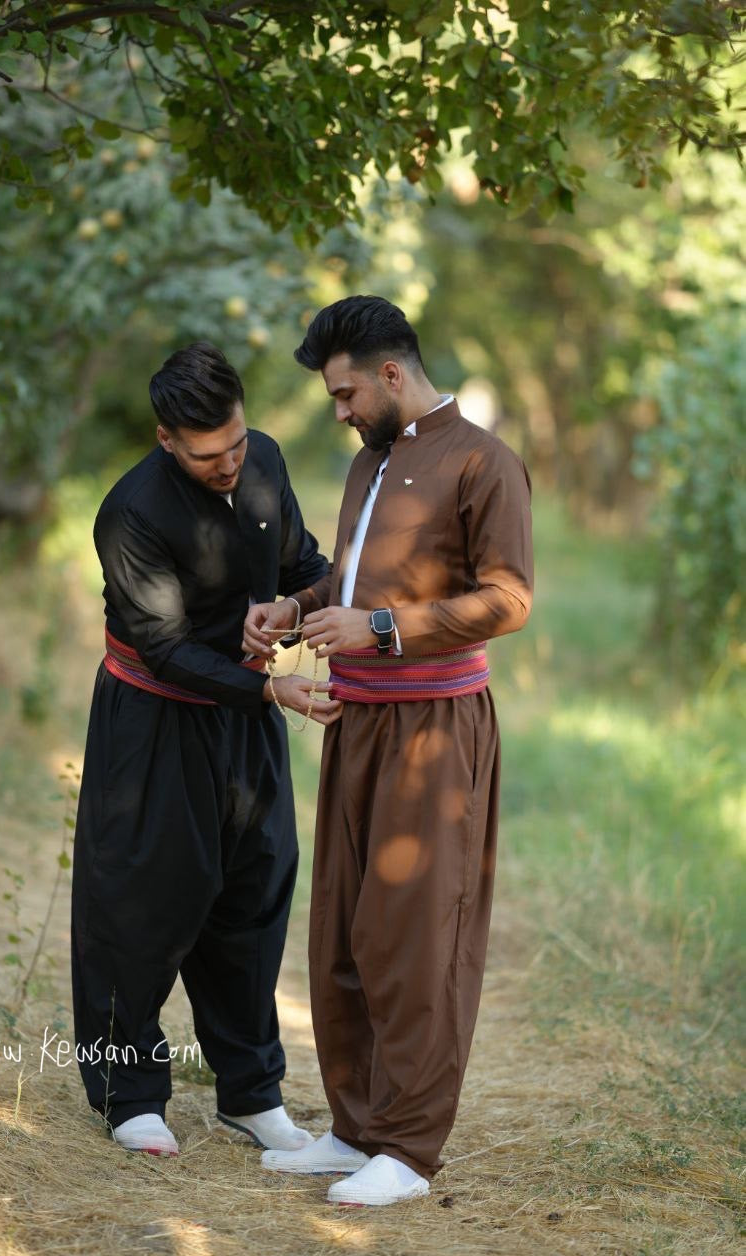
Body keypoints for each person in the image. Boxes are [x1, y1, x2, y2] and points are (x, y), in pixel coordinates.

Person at [244, 296, 533, 1206]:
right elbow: (357, 573)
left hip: (435, 733)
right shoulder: (371, 462)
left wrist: (377, 626)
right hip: (357, 722)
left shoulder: (485, 462)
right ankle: (356, 1128)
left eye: (344, 394)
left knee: (415, 938)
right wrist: (294, 608)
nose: (339, 412)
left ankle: (407, 1151)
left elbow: (508, 600)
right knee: (345, 930)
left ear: (392, 375)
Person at [71, 341, 341, 1158]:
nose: (228, 464)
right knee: (142, 903)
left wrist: (291, 611)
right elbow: (163, 645)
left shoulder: (262, 461)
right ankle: (129, 1095)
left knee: (255, 893)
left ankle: (251, 1093)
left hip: (247, 718)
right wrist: (269, 687)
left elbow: (306, 566)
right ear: (164, 441)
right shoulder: (129, 514)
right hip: (153, 721)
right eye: (205, 455)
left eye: (233, 443)